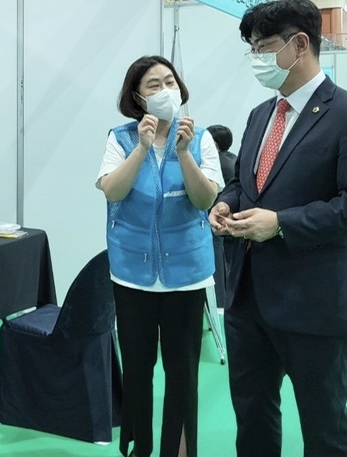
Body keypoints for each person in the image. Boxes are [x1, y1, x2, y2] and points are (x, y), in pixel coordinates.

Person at [208, 0, 347, 457]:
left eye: (264, 46)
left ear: (300, 45)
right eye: (252, 48)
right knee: (252, 415)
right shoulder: (260, 115)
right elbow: (245, 182)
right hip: (247, 298)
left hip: (313, 301)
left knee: (324, 425)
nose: (256, 57)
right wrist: (225, 203)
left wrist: (282, 224)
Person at [97, 55, 223, 457]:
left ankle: (179, 452)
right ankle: (139, 448)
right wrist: (141, 147)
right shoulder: (120, 139)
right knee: (137, 370)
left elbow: (205, 199)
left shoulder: (200, 139)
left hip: (186, 276)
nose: (165, 90)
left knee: (182, 373)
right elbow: (113, 190)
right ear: (138, 97)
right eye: (154, 85)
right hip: (132, 275)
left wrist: (183, 153)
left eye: (170, 81)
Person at [206, 124, 237, 308]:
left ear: (214, 144)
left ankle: (218, 305)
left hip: (218, 221)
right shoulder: (233, 159)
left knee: (217, 266)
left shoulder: (215, 163)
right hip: (234, 222)